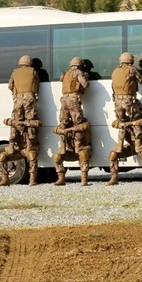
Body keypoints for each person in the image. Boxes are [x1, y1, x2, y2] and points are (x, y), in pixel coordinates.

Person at [108, 51, 142, 185]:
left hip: (117, 103)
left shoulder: (115, 71)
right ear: (130, 61)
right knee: (139, 140)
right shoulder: (131, 69)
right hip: (129, 101)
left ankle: (114, 177)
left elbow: (113, 88)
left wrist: (123, 124)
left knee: (121, 128)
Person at [0, 54, 41, 186]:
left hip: (17, 100)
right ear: (29, 63)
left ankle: (12, 144)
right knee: (30, 123)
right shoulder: (33, 71)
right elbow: (36, 84)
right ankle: (32, 179)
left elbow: (10, 85)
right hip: (29, 98)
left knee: (15, 123)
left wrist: (17, 95)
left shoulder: (15, 72)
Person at [53, 56, 91, 186]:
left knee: (62, 125)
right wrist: (86, 81)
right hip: (74, 100)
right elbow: (85, 84)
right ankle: (83, 178)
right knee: (78, 124)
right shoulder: (78, 73)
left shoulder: (65, 73)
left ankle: (63, 146)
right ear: (79, 65)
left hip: (63, 100)